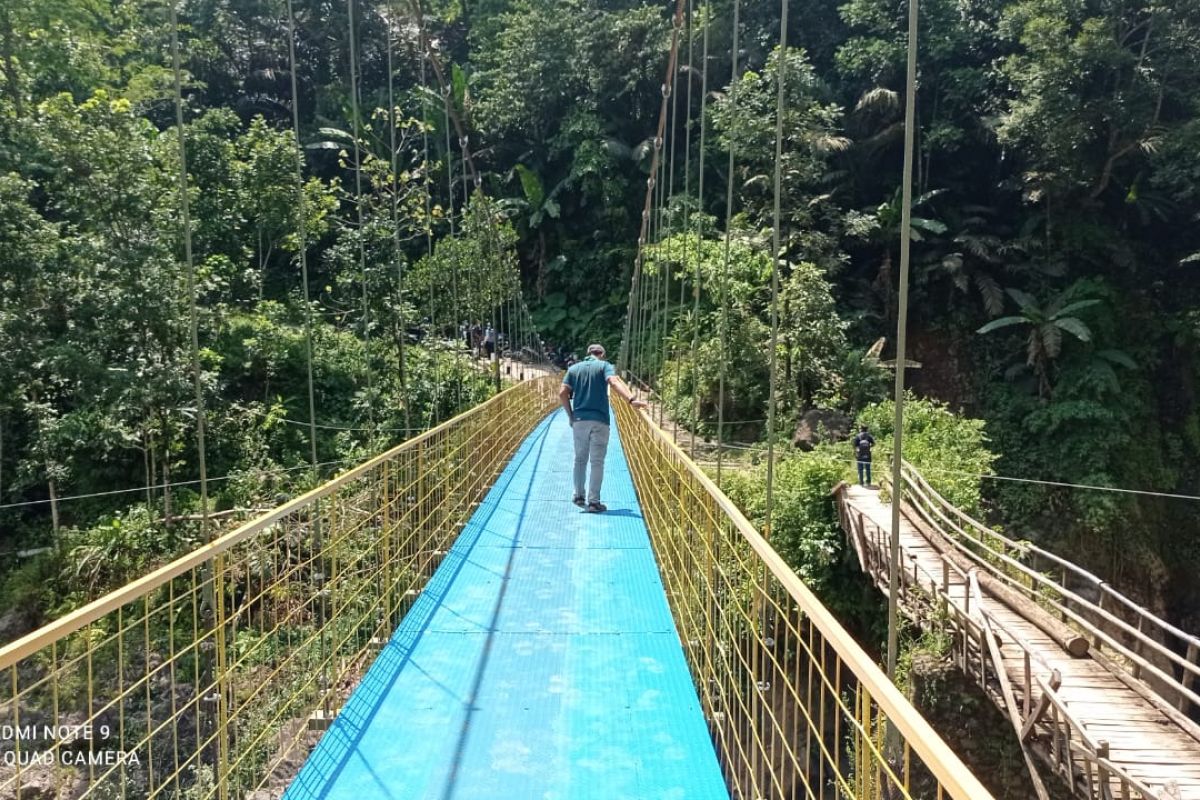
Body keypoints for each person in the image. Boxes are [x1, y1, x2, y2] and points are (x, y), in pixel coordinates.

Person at [559, 344, 647, 513]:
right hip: (600, 420)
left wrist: (571, 416)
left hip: (579, 420)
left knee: (579, 459)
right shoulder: (605, 366)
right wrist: (631, 399)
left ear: (588, 354)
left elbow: (562, 393)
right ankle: (593, 502)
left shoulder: (574, 369)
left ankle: (578, 495)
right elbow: (613, 382)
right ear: (602, 354)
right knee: (597, 462)